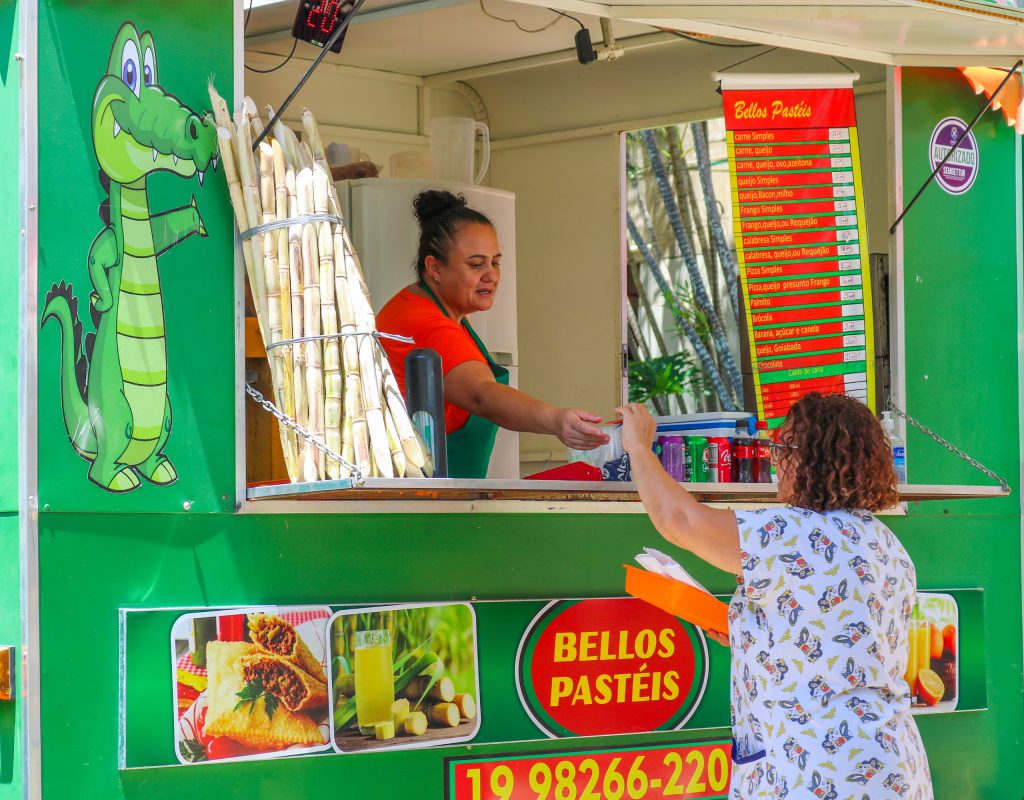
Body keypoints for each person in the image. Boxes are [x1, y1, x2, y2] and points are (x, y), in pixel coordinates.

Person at [618, 393, 933, 800]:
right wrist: (747, 634)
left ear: (811, 461)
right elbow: (834, 637)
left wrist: (639, 448)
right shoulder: (884, 542)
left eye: (781, 448)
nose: (773, 462)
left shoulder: (788, 532)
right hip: (890, 763)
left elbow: (678, 520)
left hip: (818, 771)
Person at [378, 190, 609, 478]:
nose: (491, 275)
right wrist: (555, 420)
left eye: (495, 262)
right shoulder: (426, 323)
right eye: (476, 265)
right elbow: (481, 396)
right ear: (434, 267)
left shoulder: (435, 308)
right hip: (425, 500)